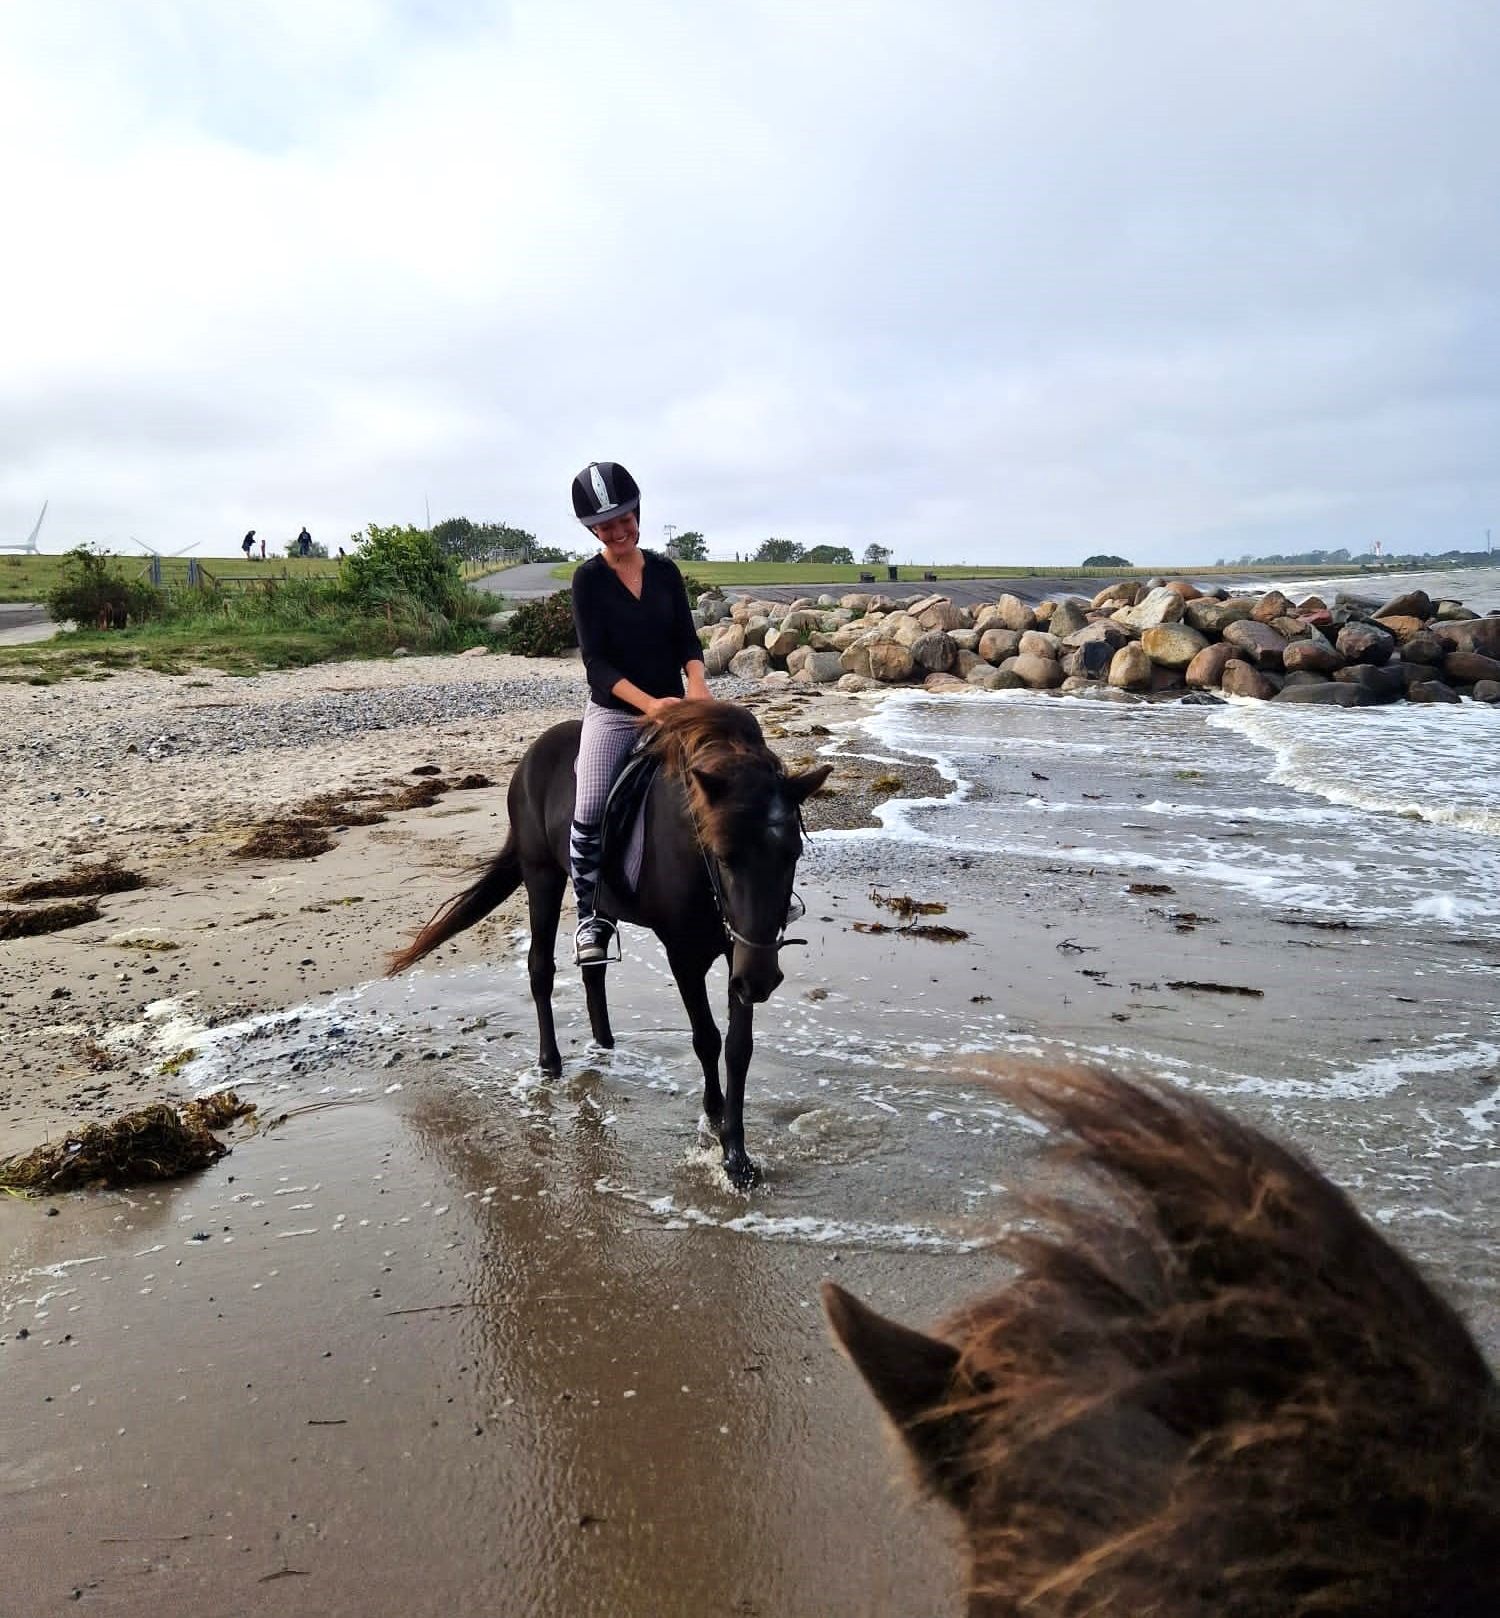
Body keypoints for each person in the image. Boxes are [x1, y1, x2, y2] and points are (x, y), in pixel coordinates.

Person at [568, 460, 710, 966]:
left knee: (730, 780)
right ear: (592, 529)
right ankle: (590, 915)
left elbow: (685, 639)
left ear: (637, 512)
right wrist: (650, 704)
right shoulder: (587, 582)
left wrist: (696, 685)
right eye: (605, 525)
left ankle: (739, 893)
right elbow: (596, 664)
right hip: (617, 713)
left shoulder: (666, 571)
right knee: (588, 805)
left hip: (677, 705)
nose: (618, 530)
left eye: (625, 518)